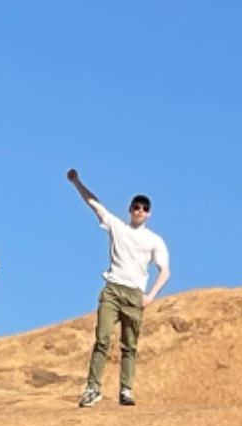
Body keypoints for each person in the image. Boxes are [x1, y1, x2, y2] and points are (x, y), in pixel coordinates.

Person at [66, 167, 170, 408]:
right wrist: (76, 182)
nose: (139, 211)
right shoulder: (117, 227)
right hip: (113, 290)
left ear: (149, 213)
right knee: (102, 339)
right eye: (136, 207)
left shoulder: (154, 240)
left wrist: (151, 296)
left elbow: (165, 270)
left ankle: (126, 390)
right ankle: (93, 388)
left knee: (129, 346)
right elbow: (95, 204)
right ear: (130, 209)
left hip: (134, 295)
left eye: (144, 208)